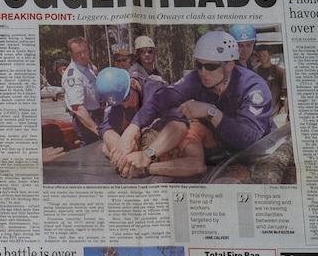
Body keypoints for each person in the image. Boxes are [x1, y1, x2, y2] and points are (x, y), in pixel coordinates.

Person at [112, 31, 276, 179]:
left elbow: (249, 138)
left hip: (260, 150)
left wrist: (210, 111)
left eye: (210, 66)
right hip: (225, 151)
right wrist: (132, 129)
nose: (203, 72)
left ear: (230, 66)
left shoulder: (253, 87)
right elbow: (162, 99)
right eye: (199, 65)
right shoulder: (197, 79)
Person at [61, 37, 102, 146]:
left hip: (97, 115)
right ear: (71, 54)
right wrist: (98, 130)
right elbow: (78, 109)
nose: (83, 56)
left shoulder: (89, 68)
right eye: (78, 53)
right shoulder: (73, 76)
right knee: (91, 155)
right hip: (86, 121)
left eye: (85, 51)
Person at [255, 45, 287, 118]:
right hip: (259, 110)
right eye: (260, 55)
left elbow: (284, 91)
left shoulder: (280, 72)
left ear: (270, 55)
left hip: (275, 111)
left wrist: (283, 106)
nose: (262, 57)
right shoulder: (255, 71)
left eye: (264, 55)